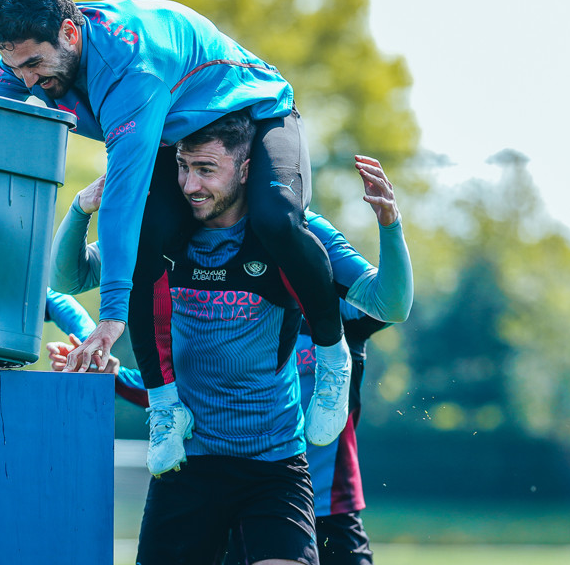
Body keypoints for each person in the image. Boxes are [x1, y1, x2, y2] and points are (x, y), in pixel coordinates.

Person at [0, 0, 349, 471]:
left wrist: (110, 316)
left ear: (69, 32)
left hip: (254, 113)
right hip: (182, 134)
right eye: (13, 65)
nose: (24, 80)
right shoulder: (26, 55)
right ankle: (166, 406)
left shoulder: (133, 70)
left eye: (34, 65)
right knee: (153, 238)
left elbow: (124, 196)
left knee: (275, 218)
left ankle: (332, 355)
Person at [50, 111, 410, 564]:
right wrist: (82, 207)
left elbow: (389, 304)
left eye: (206, 169)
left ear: (244, 170)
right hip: (188, 464)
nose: (190, 185)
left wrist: (390, 226)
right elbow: (70, 275)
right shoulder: (162, 234)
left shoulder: (293, 232)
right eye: (183, 166)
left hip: (274, 465)